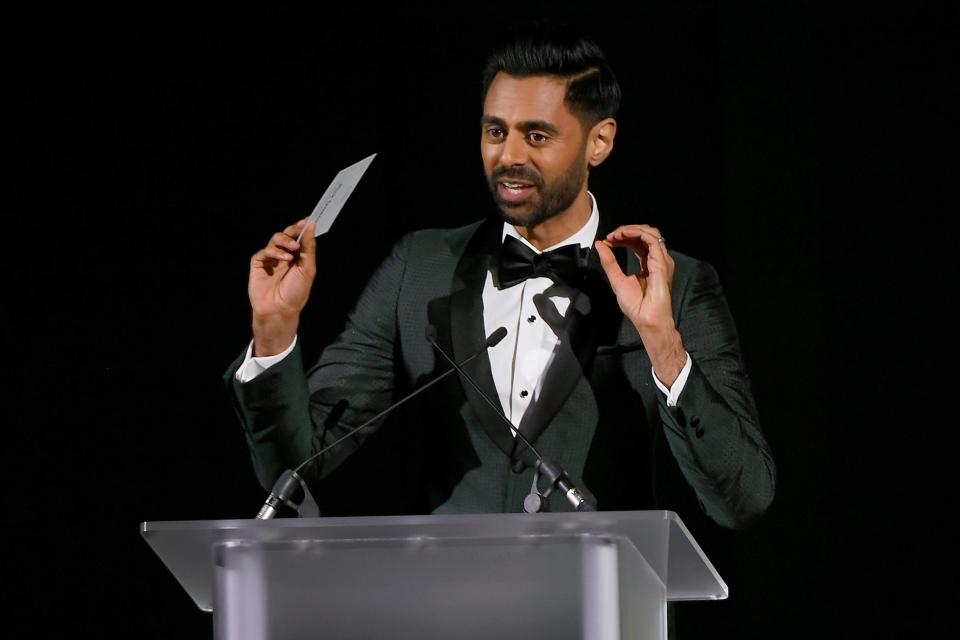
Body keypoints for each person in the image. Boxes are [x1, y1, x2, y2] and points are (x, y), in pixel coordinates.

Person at [224, 25, 775, 527]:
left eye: (537, 136)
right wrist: (274, 329)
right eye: (495, 131)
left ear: (599, 141)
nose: (508, 155)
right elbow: (295, 467)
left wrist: (664, 345)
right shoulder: (418, 268)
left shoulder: (676, 286)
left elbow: (744, 498)